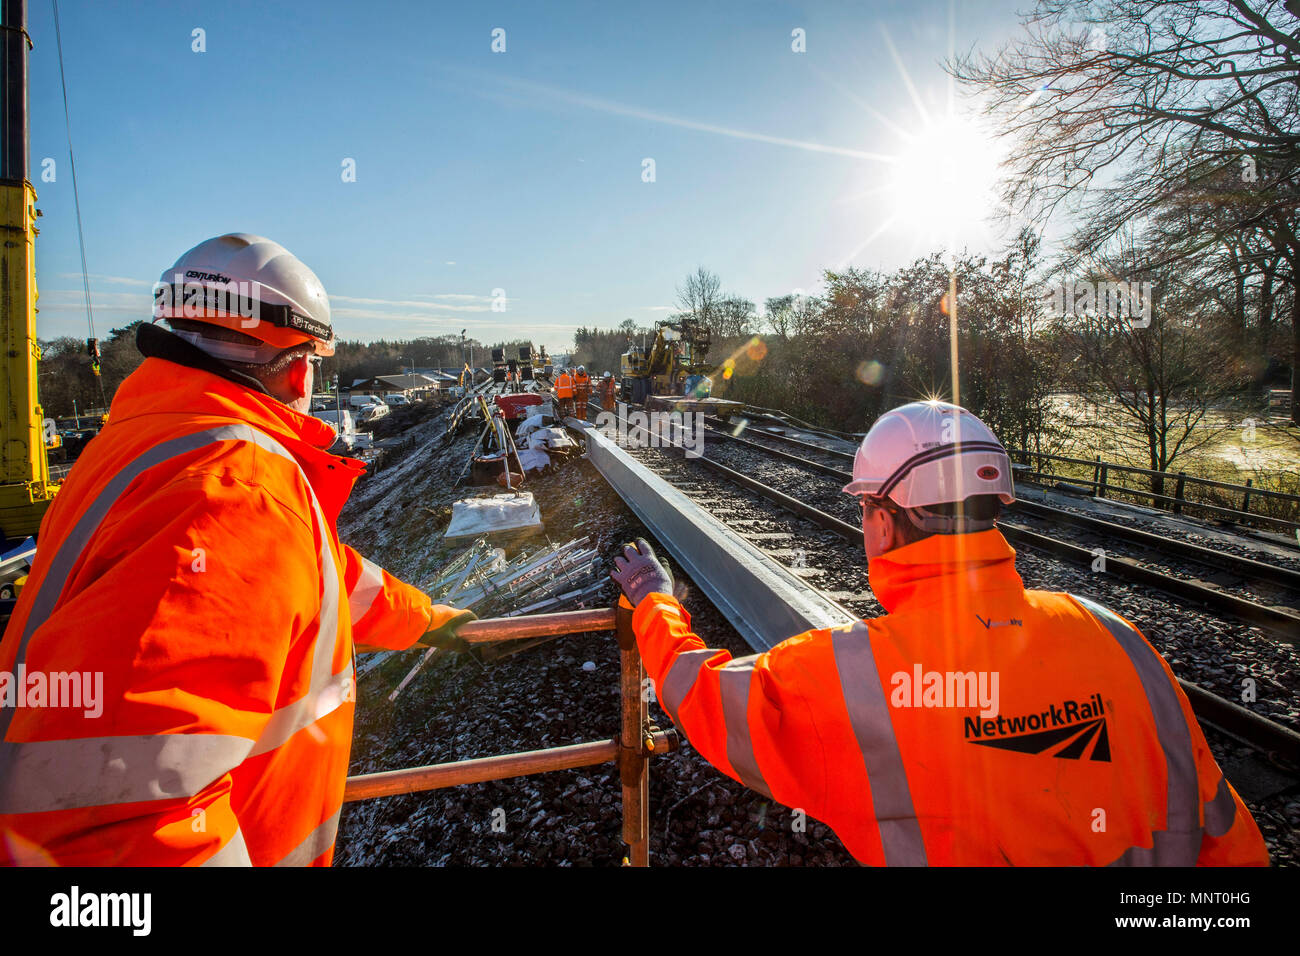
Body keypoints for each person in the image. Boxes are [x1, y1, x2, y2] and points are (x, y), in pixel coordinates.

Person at [610, 400, 1268, 866]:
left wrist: (652, 600)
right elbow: (1220, 826)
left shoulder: (846, 675)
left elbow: (696, 693)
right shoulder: (1116, 636)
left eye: (865, 509)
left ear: (883, 523)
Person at [0, 233, 475, 866]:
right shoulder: (237, 487)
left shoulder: (147, 446)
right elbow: (122, 816)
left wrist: (428, 621)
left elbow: (320, 573)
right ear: (302, 366)